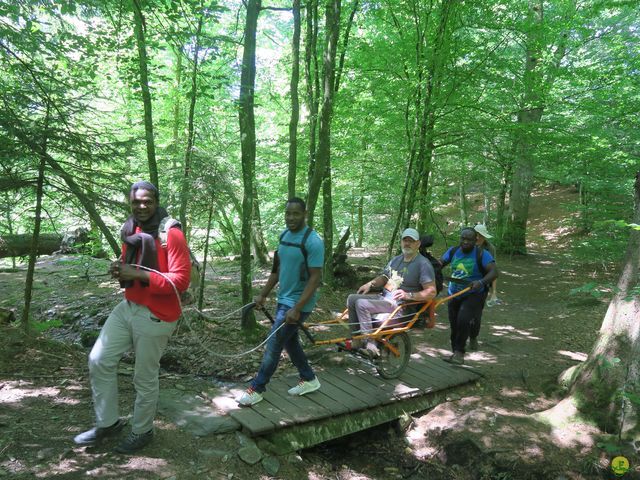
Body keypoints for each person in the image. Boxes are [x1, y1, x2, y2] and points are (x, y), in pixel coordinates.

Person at [74, 181, 191, 453]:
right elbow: (131, 262)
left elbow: (181, 281)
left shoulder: (171, 233)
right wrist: (120, 268)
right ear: (130, 202)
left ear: (156, 201)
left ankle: (142, 431)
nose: (142, 206)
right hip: (129, 305)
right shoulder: (131, 227)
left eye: (147, 201)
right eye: (136, 201)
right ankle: (108, 423)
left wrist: (137, 274)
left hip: (157, 314)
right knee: (98, 359)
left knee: (144, 377)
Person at [238, 197, 324, 407]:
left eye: (296, 213)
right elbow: (276, 270)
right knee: (289, 341)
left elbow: (315, 278)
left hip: (299, 303)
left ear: (305, 214)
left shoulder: (313, 241)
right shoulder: (284, 236)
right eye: (288, 213)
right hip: (283, 299)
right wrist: (263, 294)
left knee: (274, 343)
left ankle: (256, 389)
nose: (291, 217)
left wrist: (297, 308)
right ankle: (310, 378)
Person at [347, 228, 437, 356]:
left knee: (361, 304)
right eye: (405, 240)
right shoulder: (396, 260)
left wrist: (409, 295)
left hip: (401, 306)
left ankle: (370, 344)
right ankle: (357, 338)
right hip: (384, 299)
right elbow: (384, 277)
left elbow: (432, 292)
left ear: (418, 244)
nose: (407, 243)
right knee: (352, 298)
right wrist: (370, 284)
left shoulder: (423, 264)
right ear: (401, 242)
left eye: (411, 241)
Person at [441, 227, 498, 364]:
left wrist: (481, 282)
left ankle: (460, 353)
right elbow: (440, 263)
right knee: (454, 324)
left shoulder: (482, 254)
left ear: (475, 240)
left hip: (474, 294)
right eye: (463, 238)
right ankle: (455, 351)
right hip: (454, 293)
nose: (465, 242)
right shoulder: (453, 251)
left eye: (469, 239)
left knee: (463, 319)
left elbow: (494, 272)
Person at [474, 224, 500, 306]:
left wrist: (494, 292)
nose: (478, 238)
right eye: (476, 235)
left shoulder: (490, 248)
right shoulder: (467, 245)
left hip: (483, 283)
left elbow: (494, 271)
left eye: (481, 236)